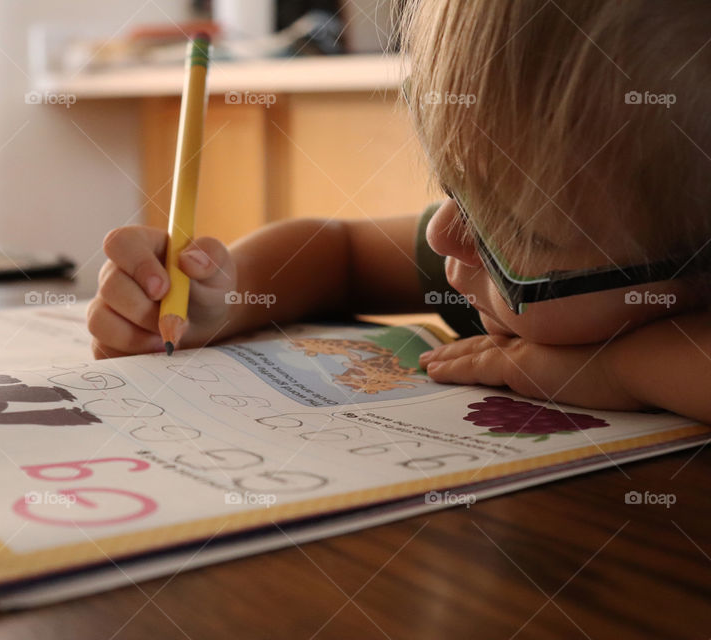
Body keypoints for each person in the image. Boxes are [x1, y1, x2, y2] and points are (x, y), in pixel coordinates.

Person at [87, 0, 711, 423]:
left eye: (523, 233)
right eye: (453, 186)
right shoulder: (510, 247)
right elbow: (338, 252)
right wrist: (222, 299)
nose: (444, 238)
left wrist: (618, 371)